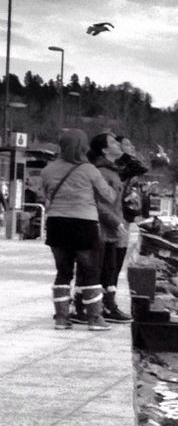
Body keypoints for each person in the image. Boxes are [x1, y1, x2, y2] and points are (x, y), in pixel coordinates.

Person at [37, 129, 118, 330]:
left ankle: (62, 318)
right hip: (84, 224)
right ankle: (94, 318)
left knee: (63, 271)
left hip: (56, 223)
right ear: (83, 147)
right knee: (90, 271)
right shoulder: (89, 170)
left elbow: (46, 193)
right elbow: (109, 196)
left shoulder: (48, 169)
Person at [87, 132, 132, 321]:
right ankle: (99, 307)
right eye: (113, 142)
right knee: (101, 269)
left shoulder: (112, 170)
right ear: (105, 150)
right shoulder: (102, 172)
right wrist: (114, 221)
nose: (119, 145)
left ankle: (107, 305)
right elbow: (98, 202)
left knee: (110, 269)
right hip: (103, 228)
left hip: (112, 228)